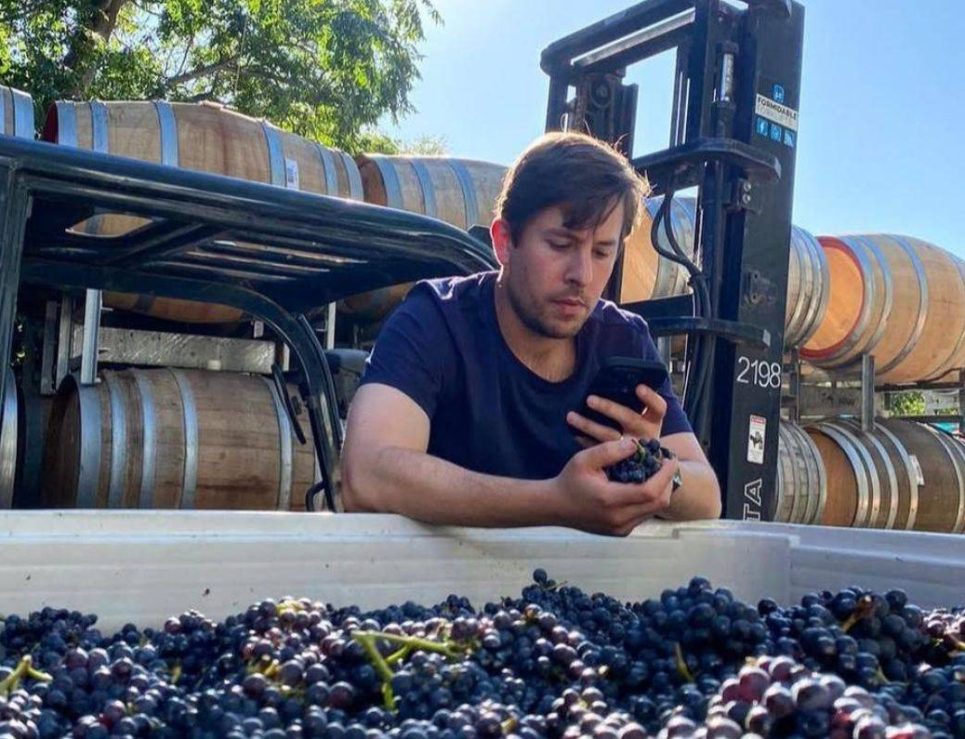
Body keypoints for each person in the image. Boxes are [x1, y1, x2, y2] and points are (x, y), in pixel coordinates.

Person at [340, 131, 721, 535]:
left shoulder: (623, 339)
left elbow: (708, 496)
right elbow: (367, 474)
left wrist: (653, 462)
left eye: (601, 252)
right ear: (504, 242)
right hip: (443, 574)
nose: (582, 275)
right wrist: (556, 502)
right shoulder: (435, 320)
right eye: (560, 244)